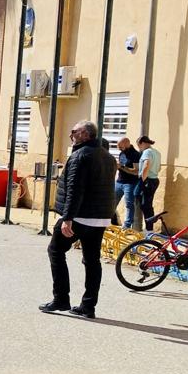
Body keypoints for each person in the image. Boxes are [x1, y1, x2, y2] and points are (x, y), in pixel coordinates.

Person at [40, 120, 116, 319]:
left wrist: (67, 218)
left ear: (84, 134)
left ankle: (61, 299)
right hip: (99, 218)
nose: (71, 134)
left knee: (55, 251)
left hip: (80, 216)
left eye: (74, 131)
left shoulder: (79, 156)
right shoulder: (108, 157)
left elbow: (75, 189)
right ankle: (88, 306)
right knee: (92, 261)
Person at [114, 137, 141, 228]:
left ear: (126, 144)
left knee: (129, 204)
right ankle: (107, 220)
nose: (119, 149)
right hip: (119, 181)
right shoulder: (122, 153)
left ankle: (127, 225)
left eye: (120, 147)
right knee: (112, 201)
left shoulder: (135, 155)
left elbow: (136, 171)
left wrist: (121, 167)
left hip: (130, 183)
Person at [136, 135, 161, 230]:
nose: (139, 148)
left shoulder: (147, 152)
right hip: (154, 179)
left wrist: (142, 180)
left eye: (139, 146)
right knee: (146, 204)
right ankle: (151, 221)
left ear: (142, 143)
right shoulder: (157, 152)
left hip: (147, 180)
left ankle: (149, 228)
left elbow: (146, 165)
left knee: (145, 205)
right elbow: (159, 168)